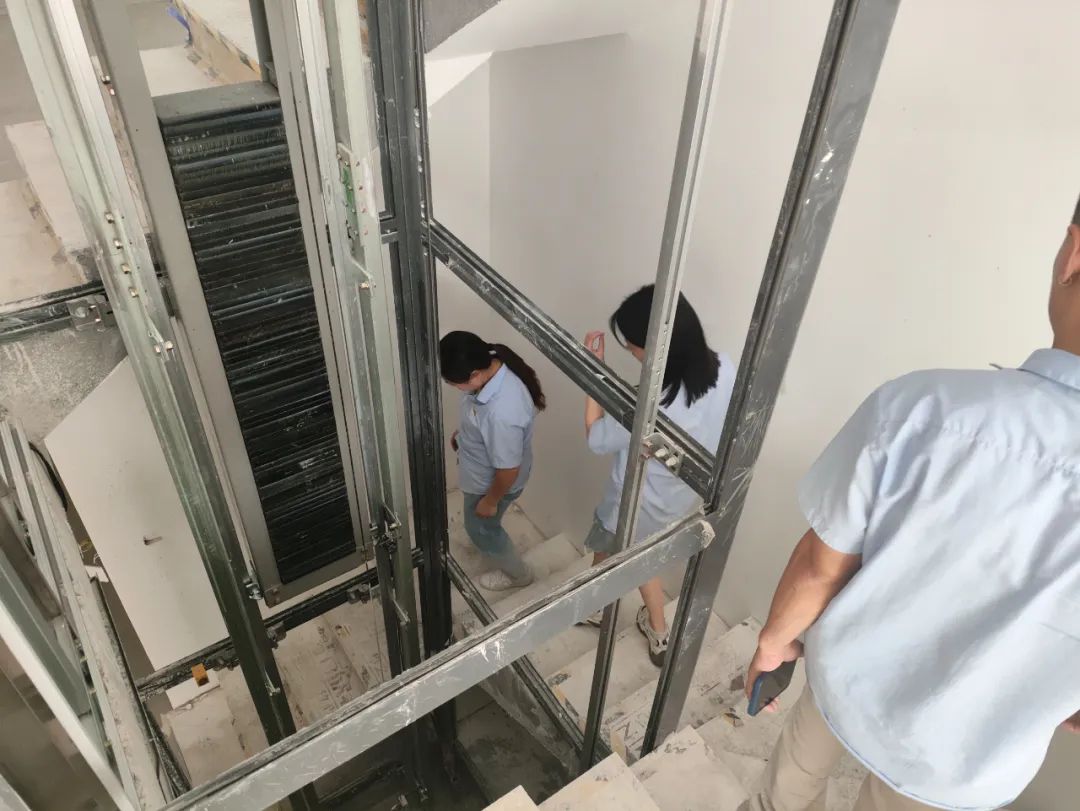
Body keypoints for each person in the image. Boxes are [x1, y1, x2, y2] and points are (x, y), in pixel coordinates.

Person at [741, 194, 1080, 811]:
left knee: (789, 788)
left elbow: (820, 567)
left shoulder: (922, 410)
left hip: (847, 683)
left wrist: (773, 646)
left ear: (1073, 255)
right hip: (963, 764)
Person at [580, 285, 736, 665]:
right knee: (630, 552)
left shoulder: (652, 407)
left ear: (656, 347)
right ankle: (630, 618)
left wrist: (591, 372)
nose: (632, 352)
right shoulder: (725, 368)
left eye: (633, 345)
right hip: (680, 495)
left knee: (622, 550)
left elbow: (596, 438)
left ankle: (643, 623)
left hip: (636, 499)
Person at [440, 331, 546, 591]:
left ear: (475, 374)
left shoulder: (502, 413)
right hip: (482, 471)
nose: (455, 388)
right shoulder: (491, 369)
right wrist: (465, 435)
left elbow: (508, 469)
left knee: (481, 529)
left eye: (455, 383)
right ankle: (487, 530)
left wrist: (490, 501)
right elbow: (480, 417)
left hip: (492, 485)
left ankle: (518, 575)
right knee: (481, 523)